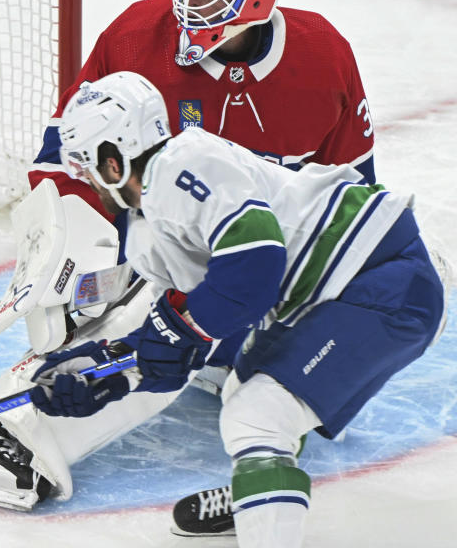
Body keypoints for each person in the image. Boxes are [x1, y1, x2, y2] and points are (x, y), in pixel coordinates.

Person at [0, 0, 380, 531]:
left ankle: (234, 371)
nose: (190, 9)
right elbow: (68, 151)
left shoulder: (322, 54)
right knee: (144, 324)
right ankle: (22, 437)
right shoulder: (141, 35)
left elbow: (353, 188)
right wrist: (67, 251)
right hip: (167, 238)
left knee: (233, 376)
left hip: (276, 257)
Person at [28, 70, 444, 548]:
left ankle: (266, 509)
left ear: (112, 157)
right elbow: (191, 337)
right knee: (244, 391)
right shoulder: (146, 233)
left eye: (85, 165)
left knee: (258, 414)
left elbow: (253, 267)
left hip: (380, 276)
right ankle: (259, 494)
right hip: (328, 293)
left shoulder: (186, 162)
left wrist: (174, 332)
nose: (84, 178)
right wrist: (109, 371)